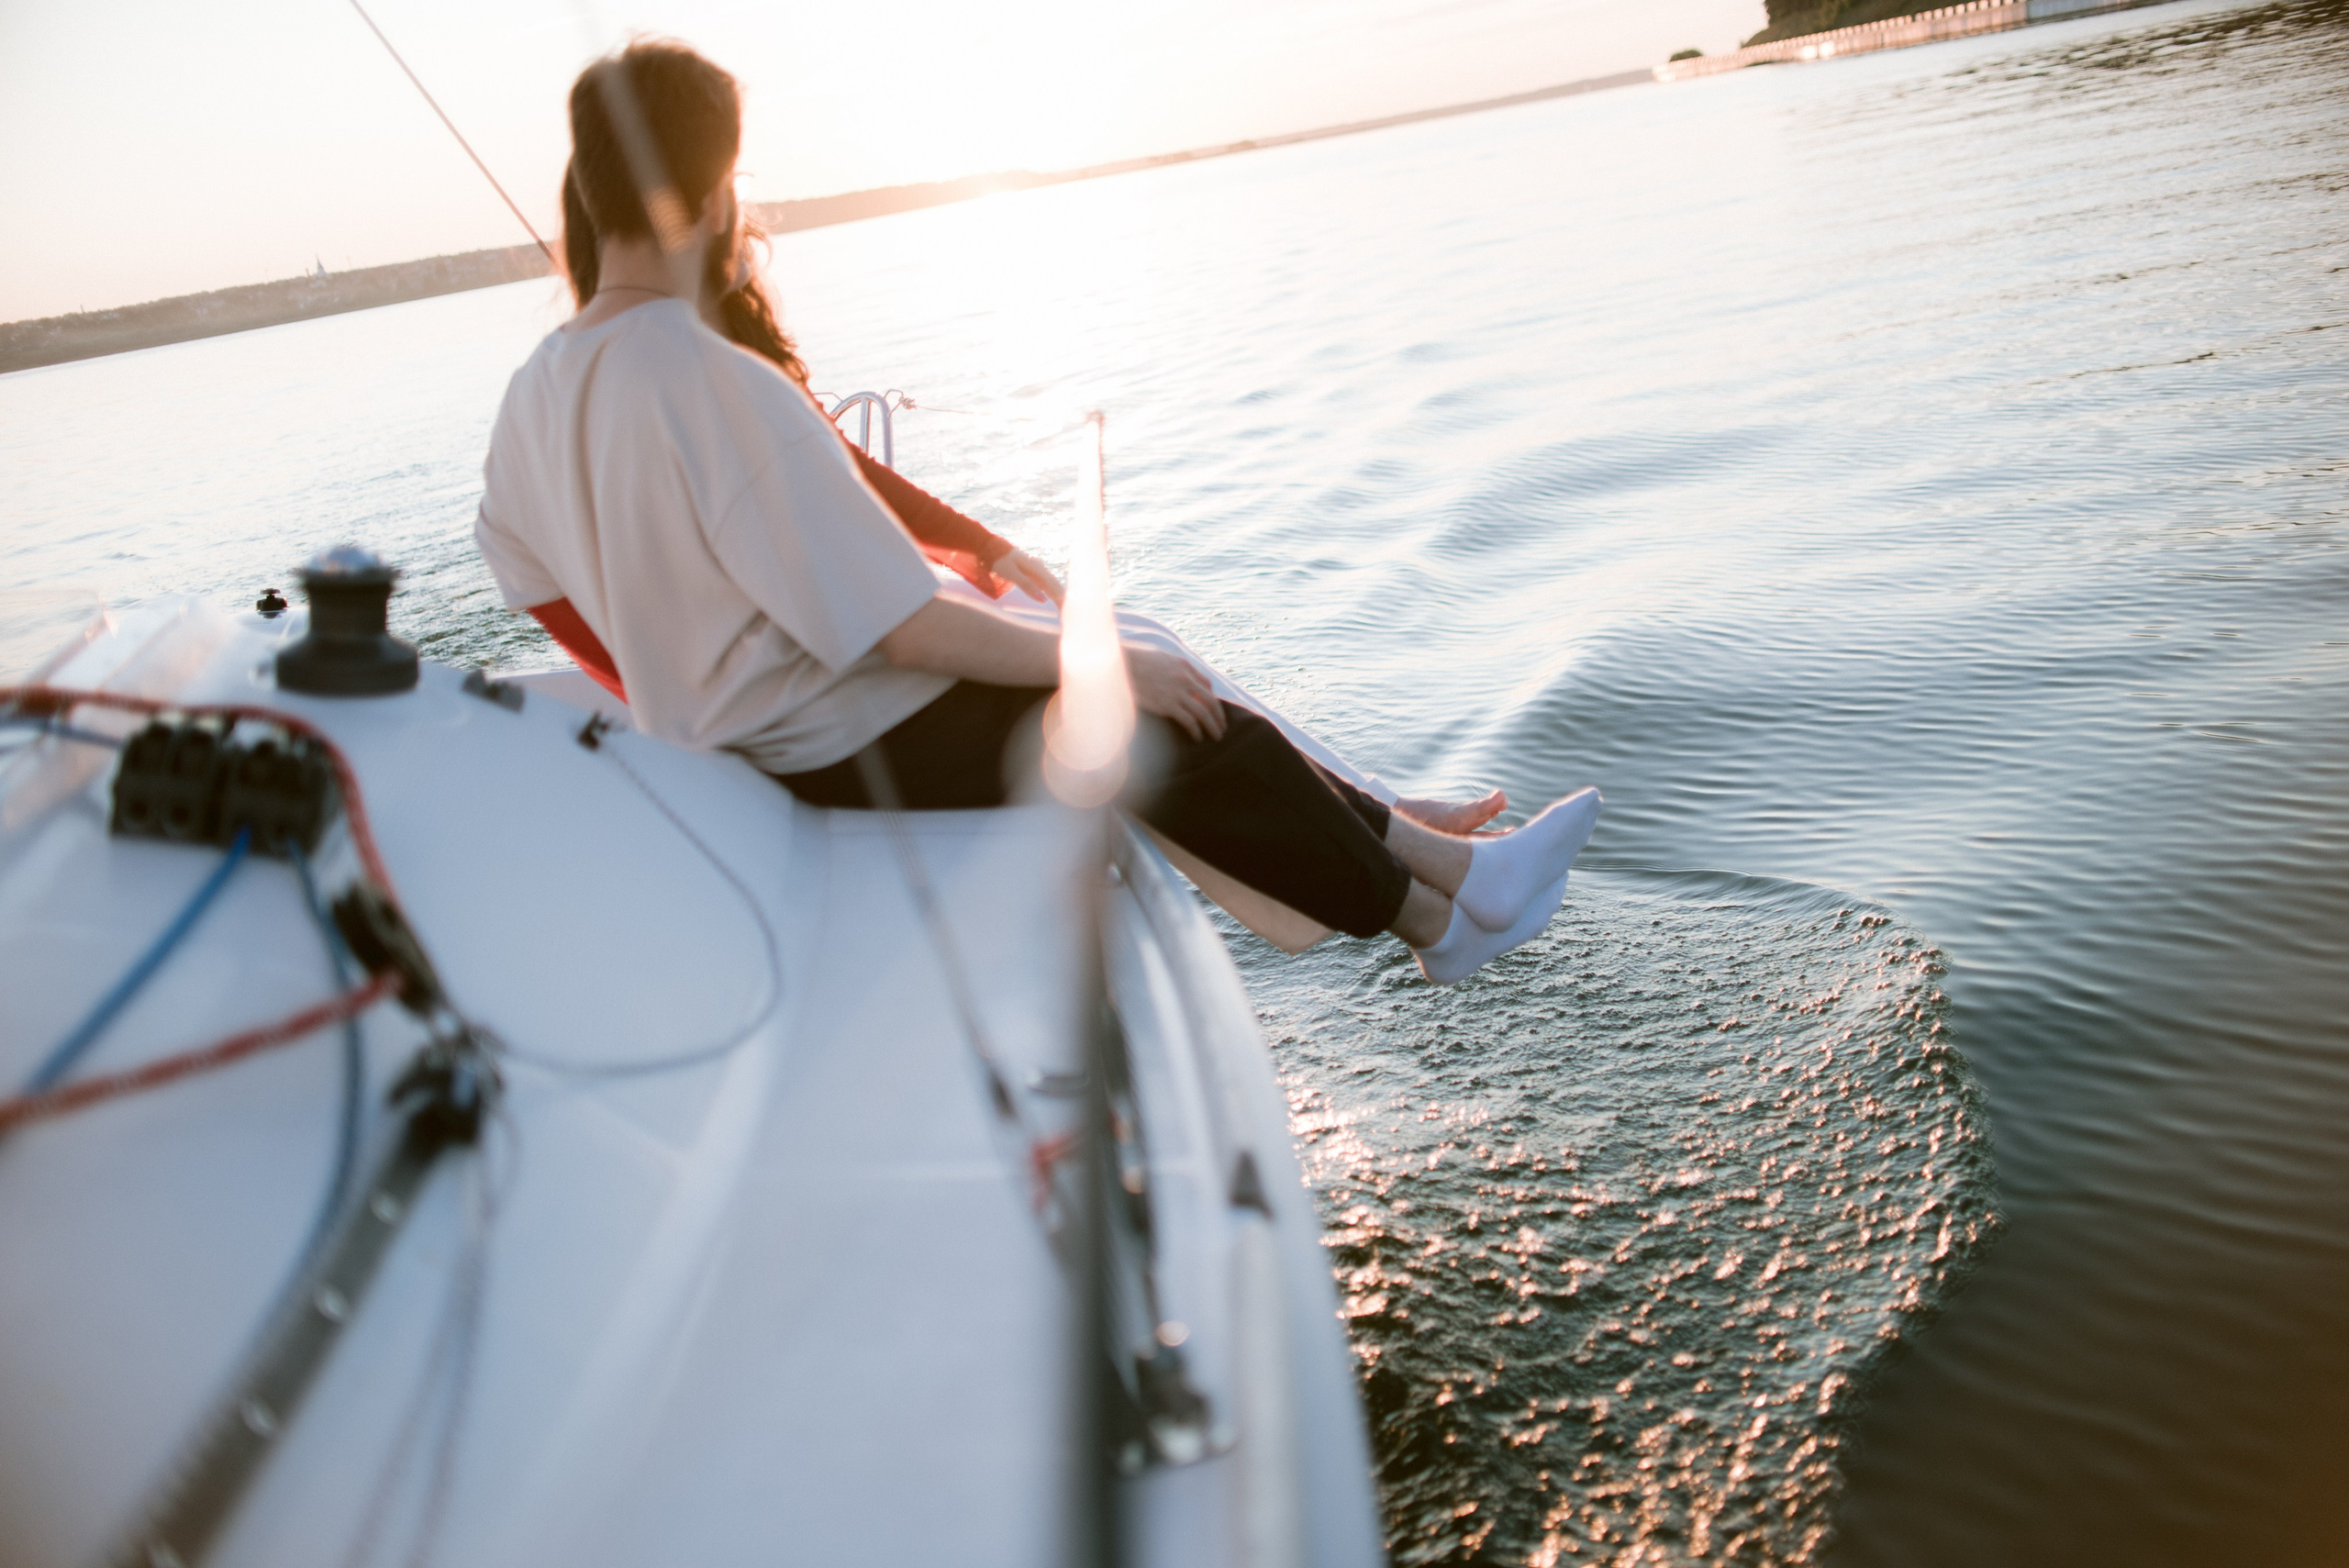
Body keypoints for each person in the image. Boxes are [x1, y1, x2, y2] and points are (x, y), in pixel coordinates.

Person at [474, 40, 1602, 983]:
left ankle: (1450, 882)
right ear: (720, 190)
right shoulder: (720, 380)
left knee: (1158, 687)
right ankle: (1436, 920)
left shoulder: (531, 393)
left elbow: (526, 574)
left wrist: (677, 677)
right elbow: (902, 627)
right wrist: (1088, 660)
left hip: (750, 742)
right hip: (837, 740)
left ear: (590, 187)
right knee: (1166, 715)